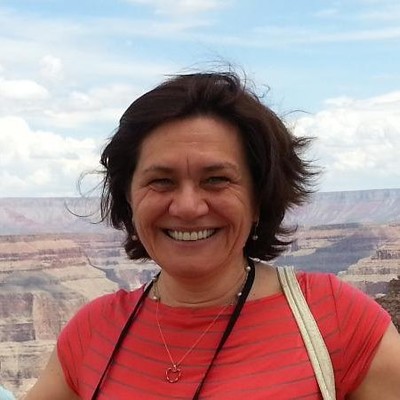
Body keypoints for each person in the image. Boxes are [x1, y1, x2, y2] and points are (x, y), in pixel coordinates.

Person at [24, 70, 400, 400]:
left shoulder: (338, 317)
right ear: (129, 198)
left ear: (259, 198)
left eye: (216, 179)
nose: (188, 207)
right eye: (161, 181)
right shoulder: (93, 331)